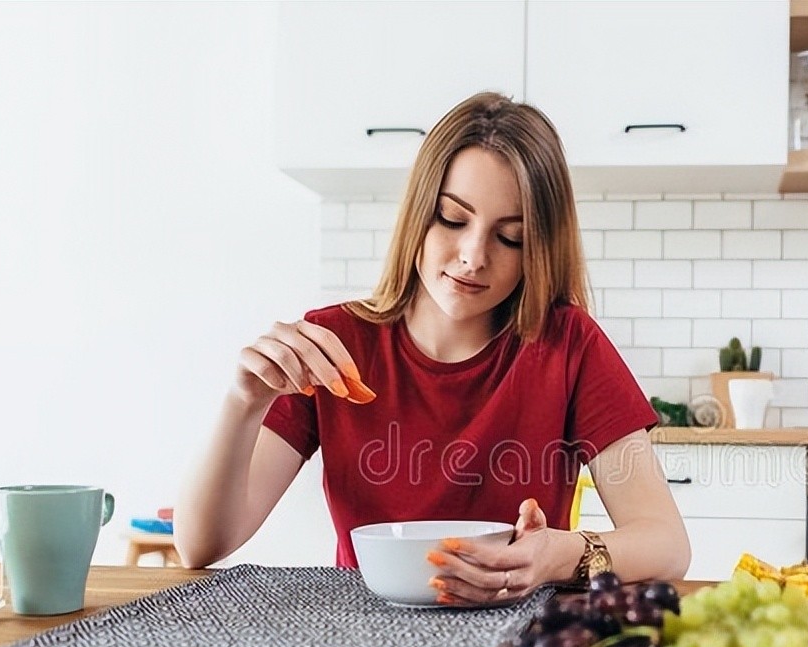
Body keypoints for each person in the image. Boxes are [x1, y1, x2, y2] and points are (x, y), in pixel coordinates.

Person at [175, 92, 690, 603]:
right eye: (452, 218)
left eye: (510, 237)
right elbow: (201, 545)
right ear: (419, 213)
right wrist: (244, 402)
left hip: (517, 630)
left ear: (539, 248)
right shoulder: (333, 345)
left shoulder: (569, 345)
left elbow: (667, 545)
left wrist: (558, 555)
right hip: (359, 629)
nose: (473, 257)